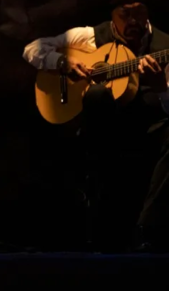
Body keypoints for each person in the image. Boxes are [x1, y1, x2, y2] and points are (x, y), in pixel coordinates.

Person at [22, 0, 169, 252]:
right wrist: (63, 63)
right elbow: (32, 49)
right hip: (102, 132)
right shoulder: (90, 37)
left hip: (148, 130)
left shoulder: (165, 47)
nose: (133, 21)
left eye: (139, 12)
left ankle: (147, 229)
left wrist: (161, 88)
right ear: (113, 13)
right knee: (97, 95)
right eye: (126, 13)